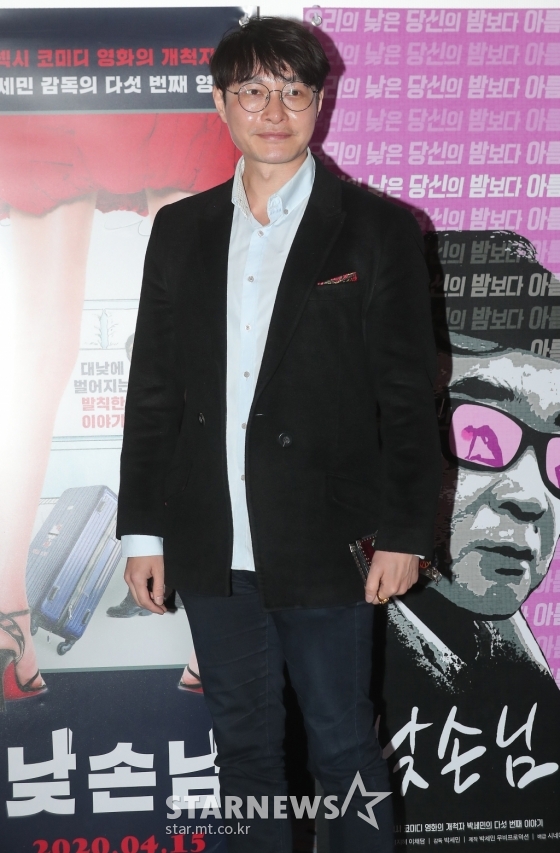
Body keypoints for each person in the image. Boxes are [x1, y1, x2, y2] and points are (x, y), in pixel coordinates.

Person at [117, 17, 441, 853]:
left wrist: (406, 532)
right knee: (245, 753)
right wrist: (144, 530)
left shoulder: (376, 229)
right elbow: (153, 392)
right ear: (220, 102)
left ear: (319, 102)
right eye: (253, 91)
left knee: (344, 748)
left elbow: (410, 400)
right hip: (212, 541)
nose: (273, 110)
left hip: (328, 539)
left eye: (294, 91)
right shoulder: (181, 229)